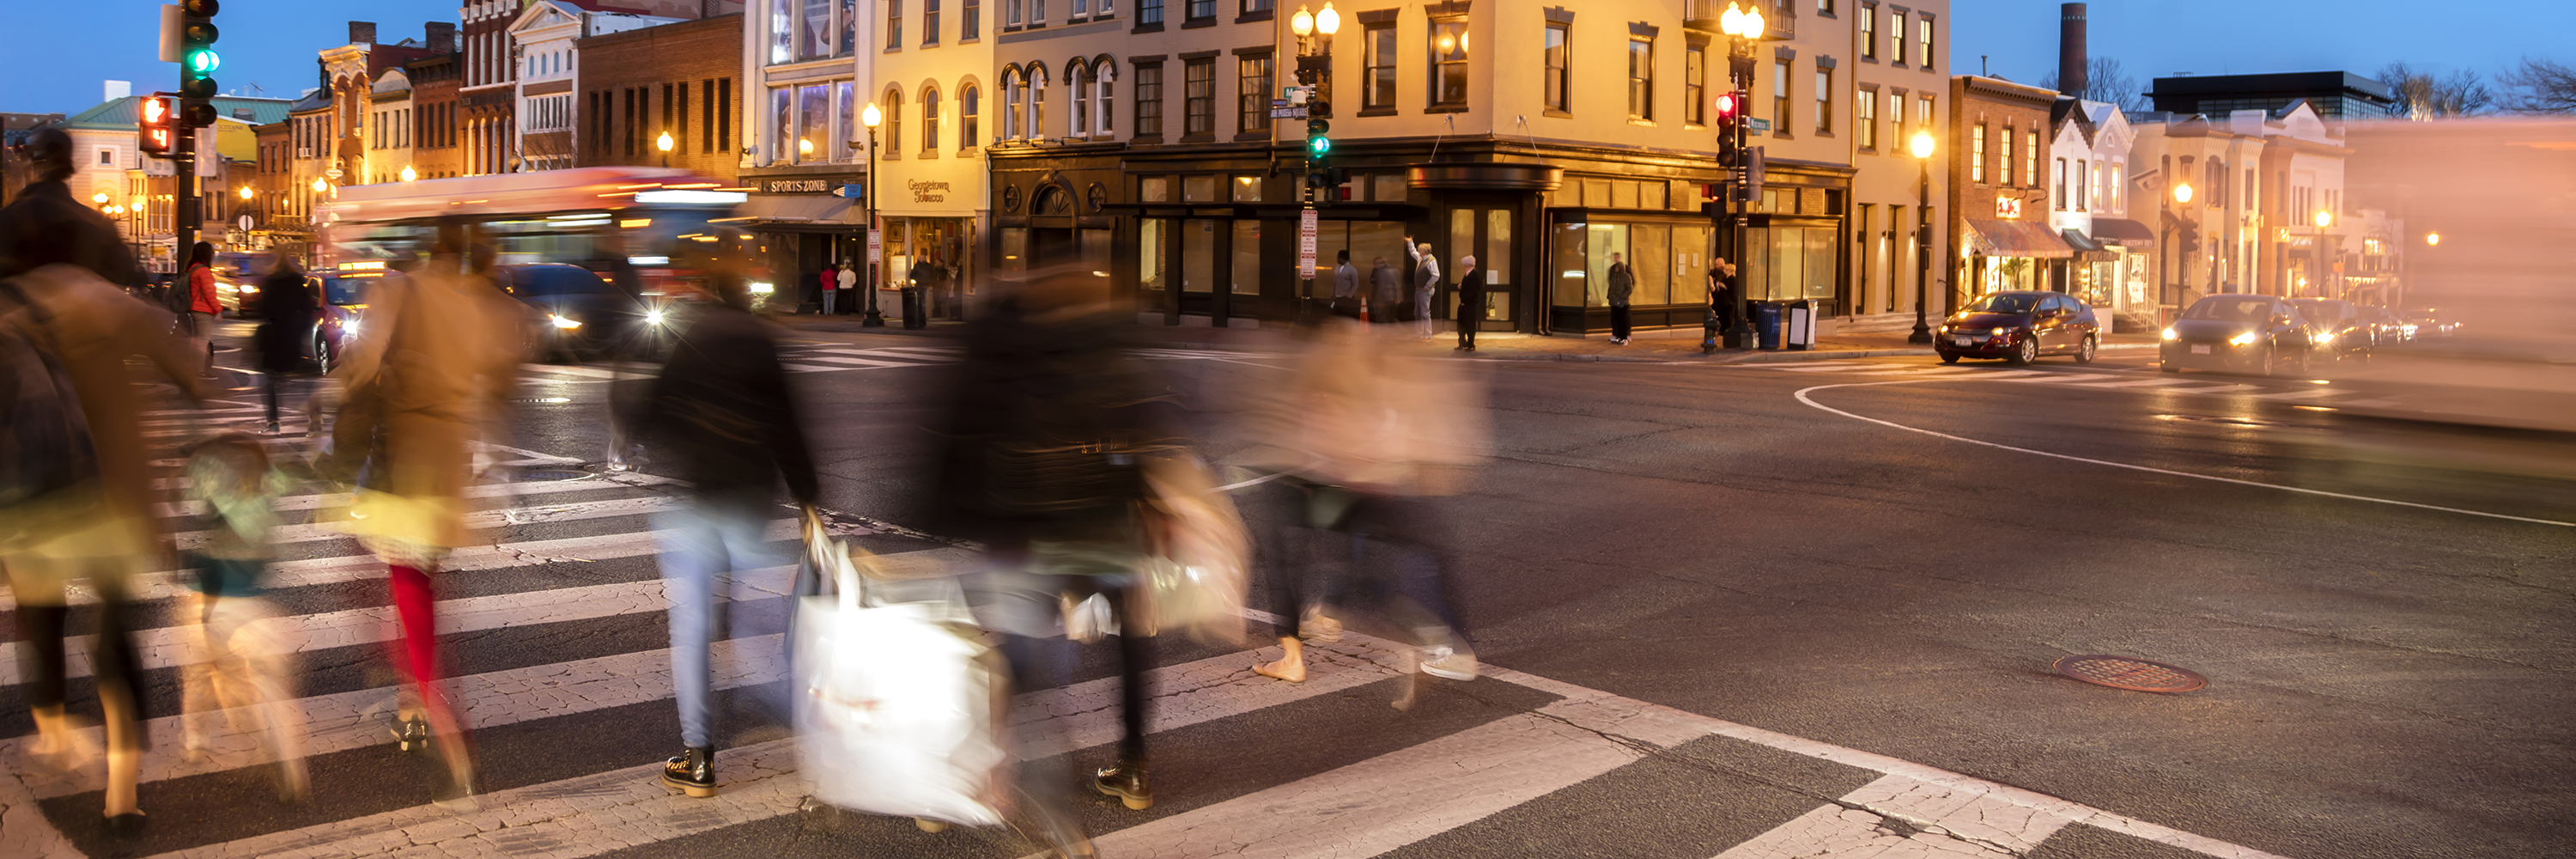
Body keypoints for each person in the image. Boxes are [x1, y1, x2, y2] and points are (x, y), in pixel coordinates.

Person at [0, 127, 212, 838]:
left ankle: (53, 721)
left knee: (42, 613)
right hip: (115, 493)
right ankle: (123, 790)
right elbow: (191, 375)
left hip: (35, 495)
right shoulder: (110, 303)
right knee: (115, 636)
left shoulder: (8, 309)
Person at [930, 266, 1178, 854]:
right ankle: (1134, 766)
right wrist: (1150, 505)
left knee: (1016, 662)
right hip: (1109, 530)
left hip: (1034, 533)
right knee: (1132, 641)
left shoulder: (1019, 351)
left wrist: (963, 513)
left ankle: (973, 771)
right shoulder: (1119, 355)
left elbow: (974, 437)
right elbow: (1145, 440)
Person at [319, 221, 523, 810]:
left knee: (397, 587)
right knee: (418, 584)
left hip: (398, 467)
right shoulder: (481, 305)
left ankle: (440, 727)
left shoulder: (401, 291)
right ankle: (414, 700)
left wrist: (328, 399)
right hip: (447, 473)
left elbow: (361, 367)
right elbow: (502, 375)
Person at [635, 268, 819, 799]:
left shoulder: (694, 336)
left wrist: (667, 443)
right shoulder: (762, 342)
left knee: (691, 629)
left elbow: (653, 408)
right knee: (755, 626)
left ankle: (697, 759)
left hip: (696, 499)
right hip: (747, 499)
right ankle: (813, 731)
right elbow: (787, 426)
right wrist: (808, 499)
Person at [174, 432, 311, 801]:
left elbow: (196, 502)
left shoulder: (223, 501)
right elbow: (292, 473)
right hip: (253, 604)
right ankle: (287, 760)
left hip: (208, 601)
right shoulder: (263, 498)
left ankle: (196, 740)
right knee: (268, 686)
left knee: (200, 673)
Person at [252, 255, 318, 433]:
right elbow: (307, 309)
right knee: (305, 381)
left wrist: (274, 322)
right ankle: (315, 418)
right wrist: (300, 330)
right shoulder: (298, 283)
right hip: (293, 336)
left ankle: (273, 421)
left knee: (271, 382)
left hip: (275, 339)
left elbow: (264, 311)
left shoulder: (271, 283)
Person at [184, 241, 221, 373]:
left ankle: (192, 369)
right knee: (202, 342)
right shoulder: (203, 270)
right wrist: (218, 310)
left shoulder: (193, 268)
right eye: (212, 252)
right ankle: (197, 371)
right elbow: (209, 292)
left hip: (194, 309)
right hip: (203, 310)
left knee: (196, 342)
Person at [1404, 238, 1441, 340]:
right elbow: (1413, 252)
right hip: (1419, 289)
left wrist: (1427, 286)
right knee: (1418, 312)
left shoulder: (1431, 261)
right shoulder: (1421, 259)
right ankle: (1419, 333)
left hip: (1425, 290)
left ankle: (1428, 335)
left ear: (1423, 252)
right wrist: (1410, 242)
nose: (1418, 252)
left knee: (1425, 313)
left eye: (1419, 250)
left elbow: (1436, 276)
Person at [1453, 255, 1485, 351]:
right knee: (1461, 324)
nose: (1462, 265)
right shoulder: (1468, 274)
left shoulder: (1474, 275)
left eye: (1463, 264)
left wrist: (1464, 301)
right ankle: (1462, 342)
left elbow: (1472, 291)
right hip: (1464, 304)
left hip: (1469, 304)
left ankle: (1471, 344)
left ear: (1466, 265)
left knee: (1469, 325)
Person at [1607, 252, 1636, 345]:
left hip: (1623, 302)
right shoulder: (1614, 276)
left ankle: (1625, 336)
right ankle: (1617, 335)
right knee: (1615, 318)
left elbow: (1630, 288)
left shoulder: (1626, 275)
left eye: (1617, 267)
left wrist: (1622, 297)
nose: (1616, 269)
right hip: (1614, 301)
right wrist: (1610, 297)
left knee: (1624, 319)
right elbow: (1611, 287)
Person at [1329, 250, 1359, 319]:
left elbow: (1355, 284)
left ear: (1342, 258)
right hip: (1337, 298)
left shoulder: (1352, 270)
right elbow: (1335, 282)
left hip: (1346, 298)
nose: (1337, 259)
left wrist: (1349, 296)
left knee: (1345, 316)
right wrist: (1332, 295)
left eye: (1338, 258)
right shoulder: (1337, 268)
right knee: (1333, 313)